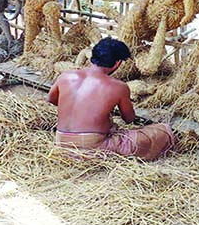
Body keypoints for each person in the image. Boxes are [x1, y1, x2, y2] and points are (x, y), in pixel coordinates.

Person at [47, 38, 175, 161]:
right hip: (93, 147)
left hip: (61, 142)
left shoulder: (66, 76)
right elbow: (129, 119)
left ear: (92, 56)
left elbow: (51, 99)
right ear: (118, 63)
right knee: (162, 131)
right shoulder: (119, 87)